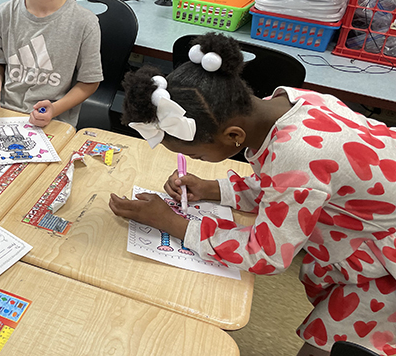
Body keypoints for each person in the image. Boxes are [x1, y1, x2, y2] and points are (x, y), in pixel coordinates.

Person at [109, 32, 396, 356]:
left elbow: (267, 253)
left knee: (330, 344)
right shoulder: (290, 102)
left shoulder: (297, 154)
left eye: (200, 156)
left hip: (386, 262)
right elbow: (286, 184)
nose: (198, 162)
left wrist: (171, 223)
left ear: (234, 136)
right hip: (369, 223)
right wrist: (213, 188)